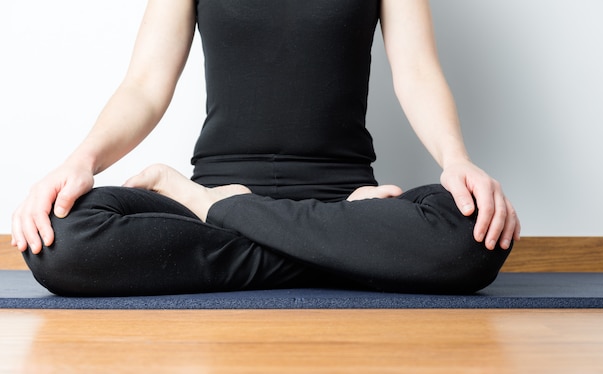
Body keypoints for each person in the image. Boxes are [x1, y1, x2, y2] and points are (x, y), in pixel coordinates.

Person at [11, 0, 520, 296]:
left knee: (470, 238)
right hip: (320, 220)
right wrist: (81, 160)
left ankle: (229, 210)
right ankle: (343, 256)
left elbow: (416, 72)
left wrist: (457, 161)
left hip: (329, 199)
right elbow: (144, 85)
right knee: (62, 241)